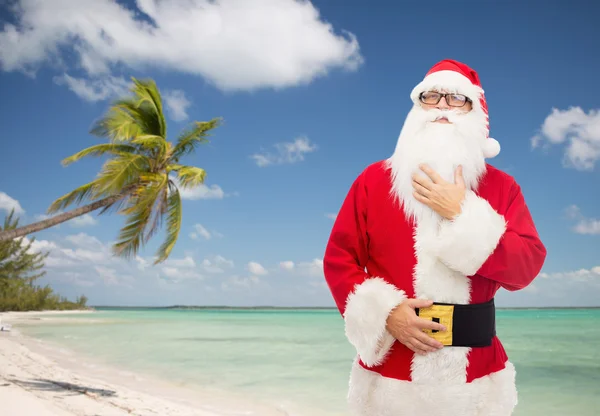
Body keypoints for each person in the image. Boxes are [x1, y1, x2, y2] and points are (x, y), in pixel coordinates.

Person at [322, 59, 547, 416]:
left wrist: (463, 214)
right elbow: (339, 261)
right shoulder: (372, 181)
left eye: (456, 98)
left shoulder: (503, 187)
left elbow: (526, 268)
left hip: (476, 377)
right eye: (431, 96)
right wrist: (386, 313)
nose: (442, 105)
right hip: (389, 380)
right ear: (417, 107)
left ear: (475, 112)